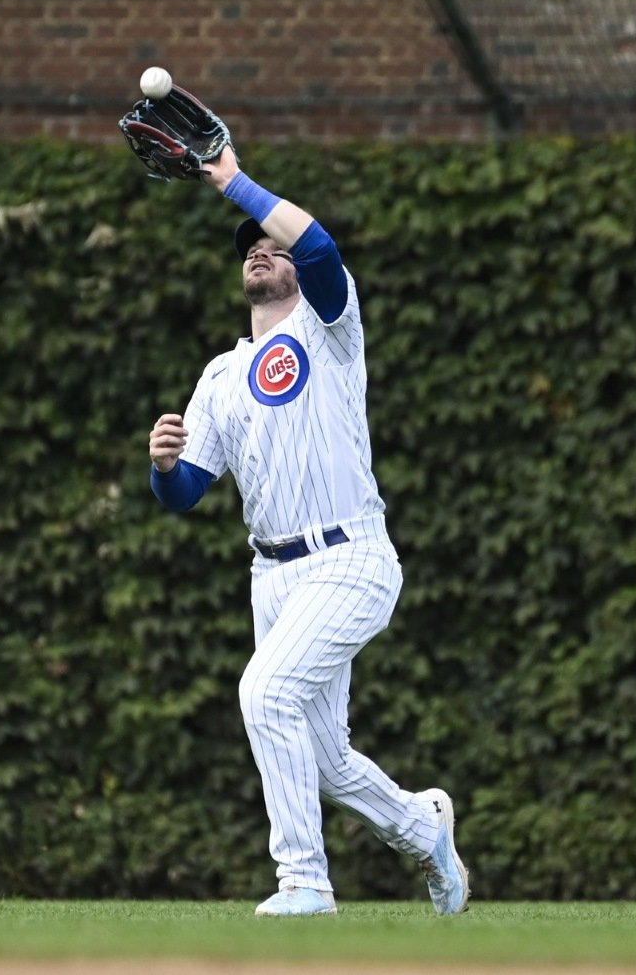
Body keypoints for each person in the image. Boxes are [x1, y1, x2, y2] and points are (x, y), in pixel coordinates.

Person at [145, 146, 470, 918]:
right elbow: (188, 491)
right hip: (274, 575)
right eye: (252, 248)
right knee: (322, 757)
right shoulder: (222, 375)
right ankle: (423, 830)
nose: (261, 247)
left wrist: (232, 184)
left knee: (263, 690)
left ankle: (304, 882)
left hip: (351, 555)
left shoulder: (332, 327)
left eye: (271, 242)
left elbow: (318, 245)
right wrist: (163, 467)